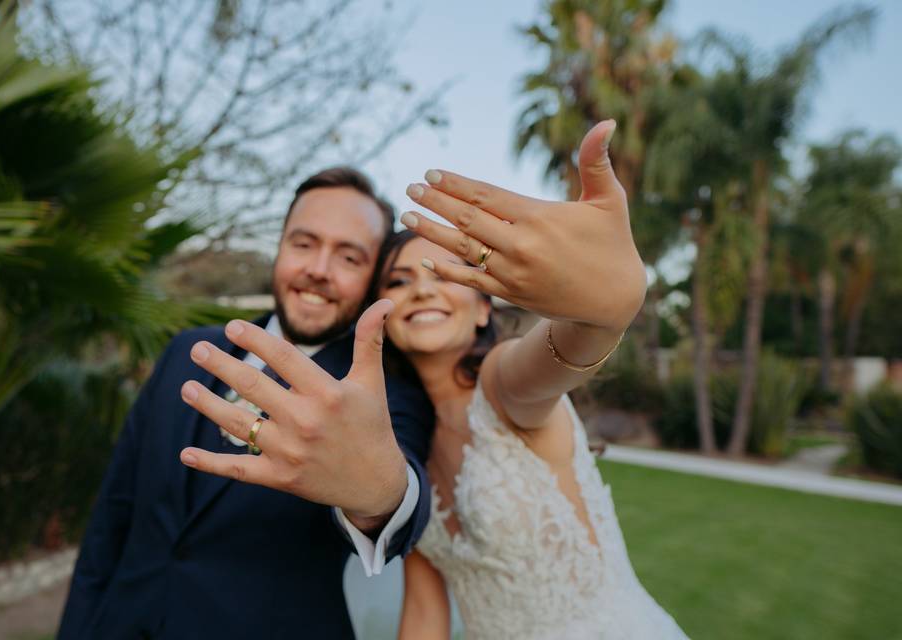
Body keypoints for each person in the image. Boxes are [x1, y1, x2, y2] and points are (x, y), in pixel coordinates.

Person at [57, 168, 434, 640]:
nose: (318, 268)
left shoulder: (381, 397)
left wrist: (381, 496)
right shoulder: (187, 352)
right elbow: (113, 516)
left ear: (374, 277)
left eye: (349, 256)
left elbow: (398, 494)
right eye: (303, 243)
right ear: (280, 246)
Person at [381, 120, 689, 639]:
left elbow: (555, 355)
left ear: (483, 307)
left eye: (442, 274)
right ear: (380, 312)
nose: (421, 291)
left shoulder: (502, 385)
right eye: (399, 281)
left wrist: (605, 310)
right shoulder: (405, 452)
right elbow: (425, 616)